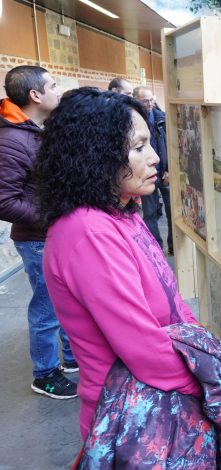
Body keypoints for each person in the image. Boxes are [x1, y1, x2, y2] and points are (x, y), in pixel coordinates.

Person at [35, 88, 201, 440]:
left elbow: (173, 304)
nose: (155, 157)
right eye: (139, 147)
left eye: (150, 144)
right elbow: (143, 347)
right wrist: (208, 384)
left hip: (162, 406)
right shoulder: (87, 232)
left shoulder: (123, 213)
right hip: (134, 426)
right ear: (96, 154)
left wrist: (205, 354)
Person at [0, 65, 77, 399]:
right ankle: (44, 373)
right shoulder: (13, 139)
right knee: (47, 309)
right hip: (37, 240)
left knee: (67, 302)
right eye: (53, 85)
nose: (57, 91)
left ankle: (72, 359)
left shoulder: (35, 130)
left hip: (52, 235)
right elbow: (4, 200)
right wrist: (49, 218)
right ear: (35, 95)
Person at [133, 85, 173, 254]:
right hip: (147, 173)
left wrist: (169, 170)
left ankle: (174, 245)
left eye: (151, 100)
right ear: (136, 101)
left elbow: (172, 146)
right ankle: (156, 249)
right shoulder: (133, 122)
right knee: (150, 214)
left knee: (172, 210)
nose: (149, 104)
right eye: (145, 101)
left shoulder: (162, 119)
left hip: (165, 173)